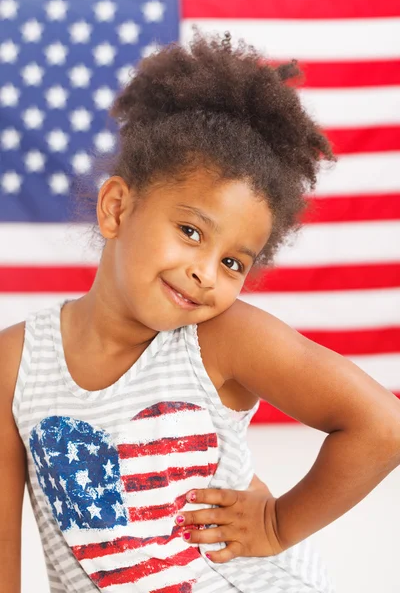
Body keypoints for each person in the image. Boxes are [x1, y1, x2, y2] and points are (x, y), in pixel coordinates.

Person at [1, 30, 400, 593]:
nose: (207, 273)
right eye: (190, 231)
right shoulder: (16, 363)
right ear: (117, 208)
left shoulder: (220, 338)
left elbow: (383, 426)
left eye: (236, 262)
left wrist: (275, 522)